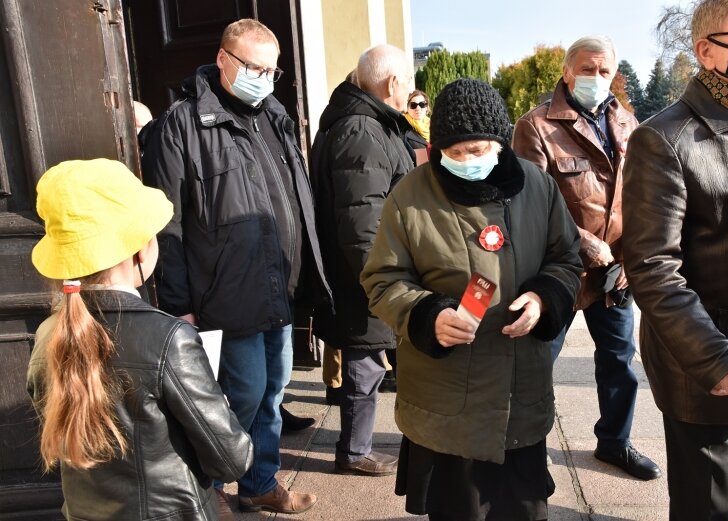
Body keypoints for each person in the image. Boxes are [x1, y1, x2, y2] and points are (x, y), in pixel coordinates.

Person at [361, 78, 582, 521]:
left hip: (521, 392)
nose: (467, 161)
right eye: (455, 152)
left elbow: (566, 259)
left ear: (500, 143)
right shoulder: (409, 195)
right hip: (447, 398)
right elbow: (383, 280)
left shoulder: (537, 186)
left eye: (478, 150)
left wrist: (543, 299)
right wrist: (427, 315)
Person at [141, 18, 329, 517]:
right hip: (225, 294)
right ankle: (209, 487)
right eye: (254, 68)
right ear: (224, 59)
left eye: (272, 70)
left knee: (273, 392)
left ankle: (259, 482)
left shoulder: (274, 115)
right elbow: (170, 223)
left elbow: (295, 201)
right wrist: (178, 304)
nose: (264, 79)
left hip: (279, 288)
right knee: (237, 398)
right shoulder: (181, 125)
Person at [622, 0, 728, 517]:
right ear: (708, 52)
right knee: (707, 504)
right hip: (711, 364)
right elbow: (651, 267)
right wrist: (713, 358)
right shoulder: (665, 139)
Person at [26, 159, 252, 521]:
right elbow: (232, 460)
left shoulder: (46, 335)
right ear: (141, 249)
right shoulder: (169, 338)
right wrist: (220, 407)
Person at [511, 35, 661, 481]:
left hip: (615, 271)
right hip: (557, 269)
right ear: (567, 72)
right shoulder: (536, 126)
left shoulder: (628, 123)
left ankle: (615, 443)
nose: (596, 78)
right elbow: (530, 201)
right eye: (587, 69)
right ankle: (524, 448)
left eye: (604, 70)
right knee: (536, 365)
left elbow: (641, 196)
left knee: (619, 360)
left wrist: (630, 257)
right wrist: (581, 242)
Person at [310, 44, 415, 477]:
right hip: (366, 276)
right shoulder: (362, 130)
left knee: (366, 362)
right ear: (392, 83)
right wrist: (384, 281)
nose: (411, 89)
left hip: (367, 272)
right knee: (365, 365)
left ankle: (357, 447)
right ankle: (354, 451)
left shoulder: (366, 123)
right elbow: (362, 222)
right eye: (408, 80)